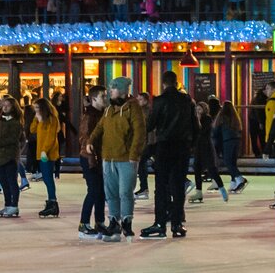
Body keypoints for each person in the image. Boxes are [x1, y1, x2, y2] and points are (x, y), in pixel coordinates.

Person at [87, 77, 146, 242]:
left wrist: (134, 155)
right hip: (108, 158)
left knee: (125, 192)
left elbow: (140, 133)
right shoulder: (108, 109)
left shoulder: (133, 108)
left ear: (121, 90)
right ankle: (114, 222)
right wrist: (90, 141)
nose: (110, 92)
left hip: (126, 159)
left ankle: (127, 222)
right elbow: (100, 127)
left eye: (112, 89)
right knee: (111, 193)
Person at [142, 70, 196, 239]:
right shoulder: (187, 101)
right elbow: (196, 126)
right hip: (182, 147)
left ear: (163, 83)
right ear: (176, 82)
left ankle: (160, 223)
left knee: (161, 186)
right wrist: (190, 145)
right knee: (178, 186)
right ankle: (177, 223)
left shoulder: (159, 101)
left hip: (164, 147)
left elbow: (150, 125)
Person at [77, 86, 108, 238]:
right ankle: (84, 224)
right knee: (94, 190)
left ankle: (100, 222)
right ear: (94, 98)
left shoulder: (103, 113)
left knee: (101, 191)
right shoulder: (89, 116)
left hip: (100, 158)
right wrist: (92, 159)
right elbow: (85, 138)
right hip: (89, 158)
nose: (105, 99)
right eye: (103, 96)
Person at [189, 101, 228, 204]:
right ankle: (198, 192)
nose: (198, 111)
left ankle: (222, 189)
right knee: (197, 169)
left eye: (200, 109)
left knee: (212, 169)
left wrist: (198, 120)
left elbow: (202, 131)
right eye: (196, 109)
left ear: (204, 109)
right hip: (198, 147)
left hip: (206, 147)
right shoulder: (194, 120)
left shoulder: (207, 119)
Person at [0, 94, 24, 219]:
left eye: (8, 105)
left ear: (13, 107)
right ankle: (7, 204)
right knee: (3, 181)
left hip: (10, 156)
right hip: (1, 156)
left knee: (12, 181)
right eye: (3, 105)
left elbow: (13, 139)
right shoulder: (1, 120)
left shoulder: (15, 122)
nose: (5, 108)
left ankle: (14, 205)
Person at [29, 97, 61, 218]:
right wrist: (36, 119)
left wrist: (44, 151)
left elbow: (51, 137)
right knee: (46, 178)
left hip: (48, 153)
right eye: (35, 108)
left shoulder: (52, 119)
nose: (36, 110)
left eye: (37, 108)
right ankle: (51, 201)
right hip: (41, 152)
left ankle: (52, 203)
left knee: (48, 178)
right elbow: (32, 130)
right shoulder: (40, 119)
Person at [212, 101, 247, 194]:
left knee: (228, 162)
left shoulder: (222, 117)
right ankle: (233, 183)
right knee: (233, 162)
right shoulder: (235, 118)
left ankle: (239, 178)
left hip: (227, 141)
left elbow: (216, 131)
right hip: (237, 140)